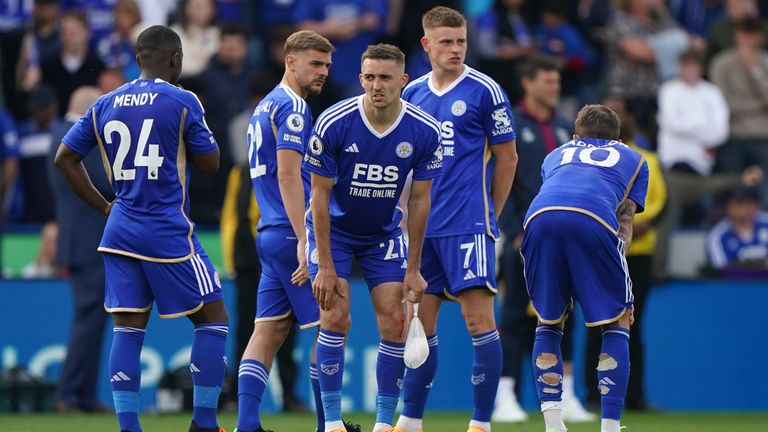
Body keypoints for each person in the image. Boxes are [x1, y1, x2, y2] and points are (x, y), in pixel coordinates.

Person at [54, 25, 229, 432]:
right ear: (176, 59)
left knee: (128, 328)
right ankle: (204, 423)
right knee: (214, 316)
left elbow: (64, 158)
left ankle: (129, 427)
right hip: (166, 229)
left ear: (137, 59)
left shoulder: (104, 103)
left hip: (119, 231)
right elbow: (210, 163)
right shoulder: (183, 100)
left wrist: (105, 207)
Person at [305, 43, 443, 432]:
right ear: (360, 78)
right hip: (335, 233)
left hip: (383, 235)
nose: (376, 85)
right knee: (334, 317)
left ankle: (384, 424)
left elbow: (419, 201)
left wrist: (414, 269)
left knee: (395, 322)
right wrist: (326, 266)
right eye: (369, 77)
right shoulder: (333, 122)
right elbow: (318, 194)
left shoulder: (423, 131)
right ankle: (331, 423)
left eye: (385, 78)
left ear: (403, 80)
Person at [394, 7, 518, 432]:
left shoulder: (486, 90)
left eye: (461, 40)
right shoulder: (411, 96)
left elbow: (508, 158)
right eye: (446, 41)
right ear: (426, 44)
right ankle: (410, 422)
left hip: (468, 224)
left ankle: (481, 423)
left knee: (478, 322)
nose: (456, 49)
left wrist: (490, 214)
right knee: (418, 326)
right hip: (422, 231)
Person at [520, 104, 649, 432]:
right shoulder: (634, 158)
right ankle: (609, 426)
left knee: (548, 321)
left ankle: (552, 424)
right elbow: (625, 222)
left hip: (537, 221)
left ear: (577, 136)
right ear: (617, 139)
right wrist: (621, 291)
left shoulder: (556, 154)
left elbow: (557, 194)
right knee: (617, 321)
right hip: (593, 219)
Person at [234, 30, 337, 432]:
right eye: (315, 63)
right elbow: (290, 177)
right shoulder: (293, 109)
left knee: (269, 329)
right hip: (291, 232)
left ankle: (247, 423)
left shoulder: (263, 109)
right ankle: (329, 424)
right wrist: (306, 239)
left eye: (327, 65)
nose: (323, 72)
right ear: (289, 61)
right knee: (328, 327)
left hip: (269, 232)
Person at [494, 55, 592, 425]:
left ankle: (565, 396)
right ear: (529, 83)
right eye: (548, 81)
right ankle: (505, 396)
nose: (556, 87)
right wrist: (514, 229)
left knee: (565, 315)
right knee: (516, 317)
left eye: (557, 81)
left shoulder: (567, 128)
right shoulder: (513, 126)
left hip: (565, 242)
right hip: (524, 239)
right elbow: (501, 182)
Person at [587, 96, 667, 412]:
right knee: (597, 324)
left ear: (629, 119)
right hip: (602, 251)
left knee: (633, 325)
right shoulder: (589, 160)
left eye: (619, 112)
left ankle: (634, 397)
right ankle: (594, 396)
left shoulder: (648, 159)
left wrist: (634, 221)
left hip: (638, 255)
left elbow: (658, 203)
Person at [48, 86, 111, 414]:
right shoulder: (75, 136)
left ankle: (83, 394)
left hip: (83, 242)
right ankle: (69, 394)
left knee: (94, 320)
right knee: (88, 320)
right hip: (88, 244)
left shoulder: (61, 133)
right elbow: (106, 181)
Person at [707, 187, 768, 271]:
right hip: (736, 283)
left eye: (740, 203)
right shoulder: (718, 235)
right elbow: (721, 273)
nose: (734, 207)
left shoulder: (765, 222)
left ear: (755, 206)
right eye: (731, 203)